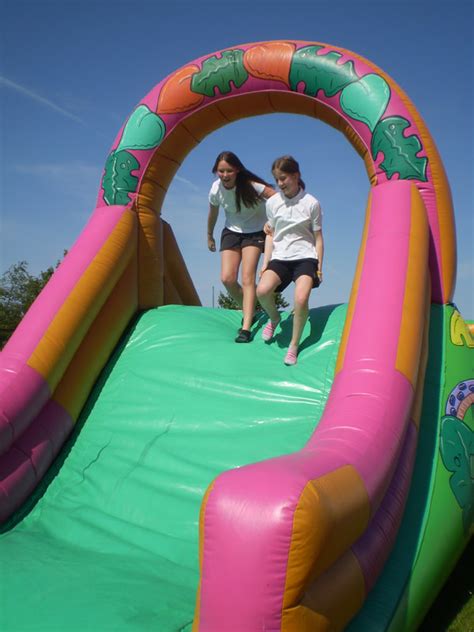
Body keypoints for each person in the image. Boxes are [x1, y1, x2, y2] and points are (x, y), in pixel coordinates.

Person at [256, 155, 324, 365]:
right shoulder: (273, 203)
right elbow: (270, 233)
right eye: (277, 179)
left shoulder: (311, 203)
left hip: (305, 257)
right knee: (262, 291)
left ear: (296, 176)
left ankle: (293, 345)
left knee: (301, 299)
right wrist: (265, 262)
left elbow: (318, 238)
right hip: (280, 256)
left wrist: (319, 266)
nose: (279, 183)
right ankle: (275, 318)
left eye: (283, 178)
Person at [207, 151, 276, 343]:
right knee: (227, 278)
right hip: (231, 231)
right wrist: (209, 235)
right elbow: (212, 213)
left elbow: (276, 198)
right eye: (221, 171)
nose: (225, 175)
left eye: (229, 171)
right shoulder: (215, 189)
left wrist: (274, 222)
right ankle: (250, 311)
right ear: (216, 171)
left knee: (247, 278)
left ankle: (246, 328)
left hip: (255, 233)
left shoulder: (251, 186)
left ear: (237, 170)